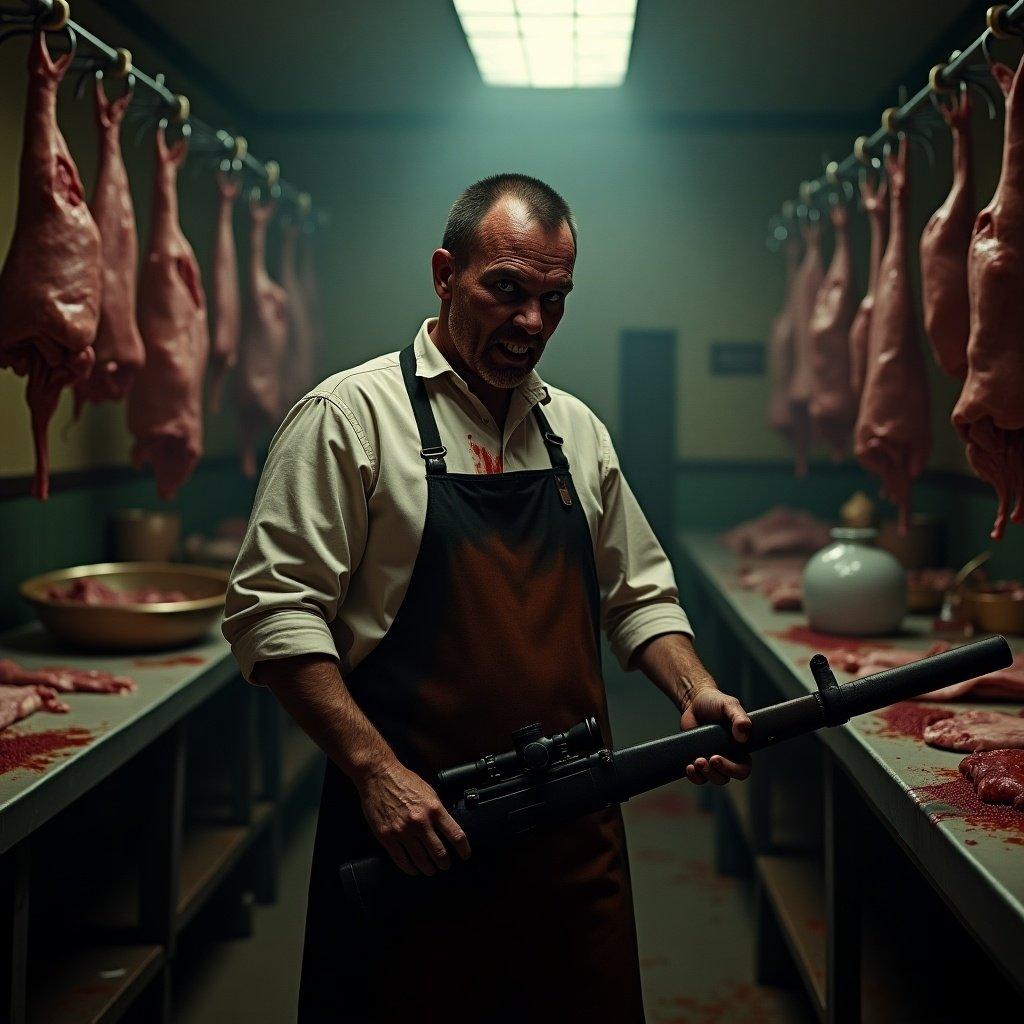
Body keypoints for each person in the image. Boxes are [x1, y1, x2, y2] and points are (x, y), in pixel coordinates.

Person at [223, 173, 752, 1024]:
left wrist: (695, 692)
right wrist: (376, 773)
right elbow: (273, 614)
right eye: (506, 289)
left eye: (554, 298)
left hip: (574, 846)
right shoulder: (350, 416)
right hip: (416, 833)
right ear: (444, 273)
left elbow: (638, 596)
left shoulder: (575, 430)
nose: (531, 322)